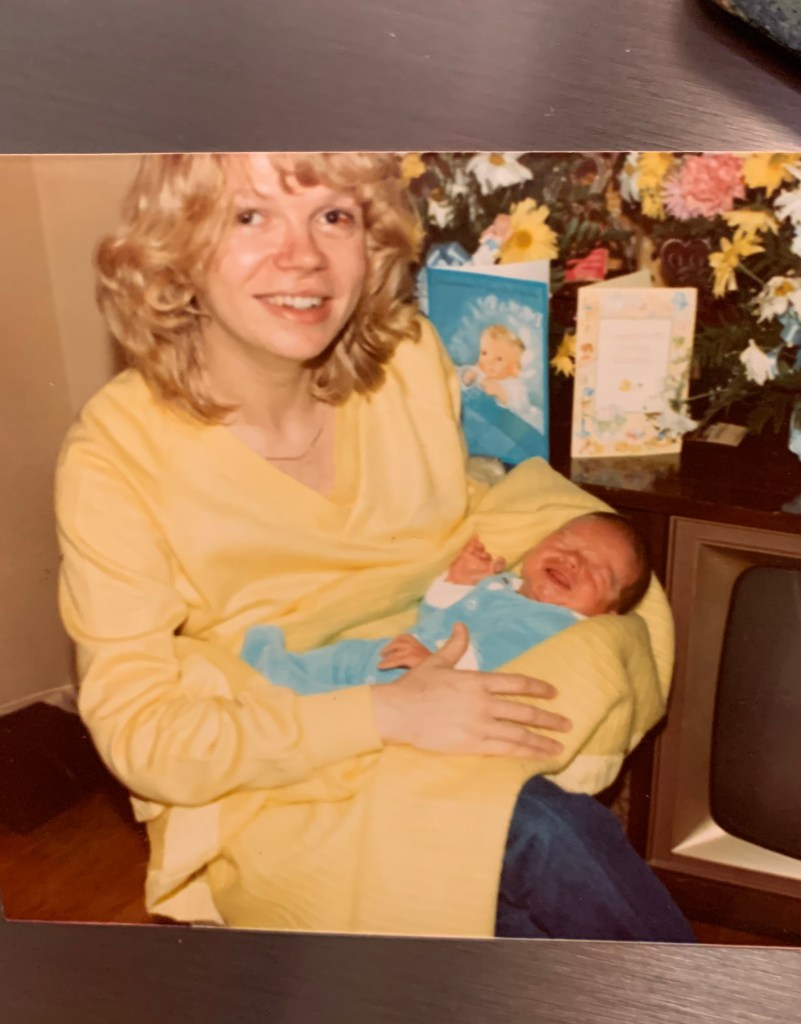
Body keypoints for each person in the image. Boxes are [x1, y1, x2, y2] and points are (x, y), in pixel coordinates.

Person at [55, 151, 694, 941]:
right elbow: (145, 738)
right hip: (280, 748)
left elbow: (468, 494)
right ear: (177, 250)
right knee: (541, 832)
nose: (303, 255)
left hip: (447, 680)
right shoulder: (114, 455)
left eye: (334, 216)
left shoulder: (407, 359)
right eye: (249, 216)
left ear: (372, 242)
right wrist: (388, 712)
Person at [241, 512, 651, 692]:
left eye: (598, 570)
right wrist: (458, 582)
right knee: (343, 657)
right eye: (566, 543)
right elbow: (435, 615)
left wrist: (435, 663)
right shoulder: (505, 585)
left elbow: (496, 659)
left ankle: (278, 690)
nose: (574, 560)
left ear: (608, 611)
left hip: (425, 685)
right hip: (400, 655)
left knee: (340, 696)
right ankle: (270, 670)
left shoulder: (556, 626)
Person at [461, 322, 542, 429]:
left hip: (521, 422)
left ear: (513, 368)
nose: (489, 361)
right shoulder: (480, 371)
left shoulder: (514, 384)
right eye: (484, 353)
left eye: (499, 359)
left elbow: (522, 407)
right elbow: (461, 378)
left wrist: (501, 394)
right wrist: (467, 377)